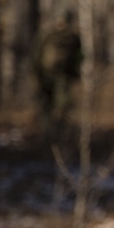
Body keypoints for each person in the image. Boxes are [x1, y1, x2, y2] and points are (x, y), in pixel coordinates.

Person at [32, 9, 83, 140]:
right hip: (54, 77)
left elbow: (37, 56)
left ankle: (53, 134)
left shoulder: (51, 35)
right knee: (55, 106)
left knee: (56, 106)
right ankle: (53, 134)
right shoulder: (53, 35)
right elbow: (80, 57)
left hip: (56, 76)